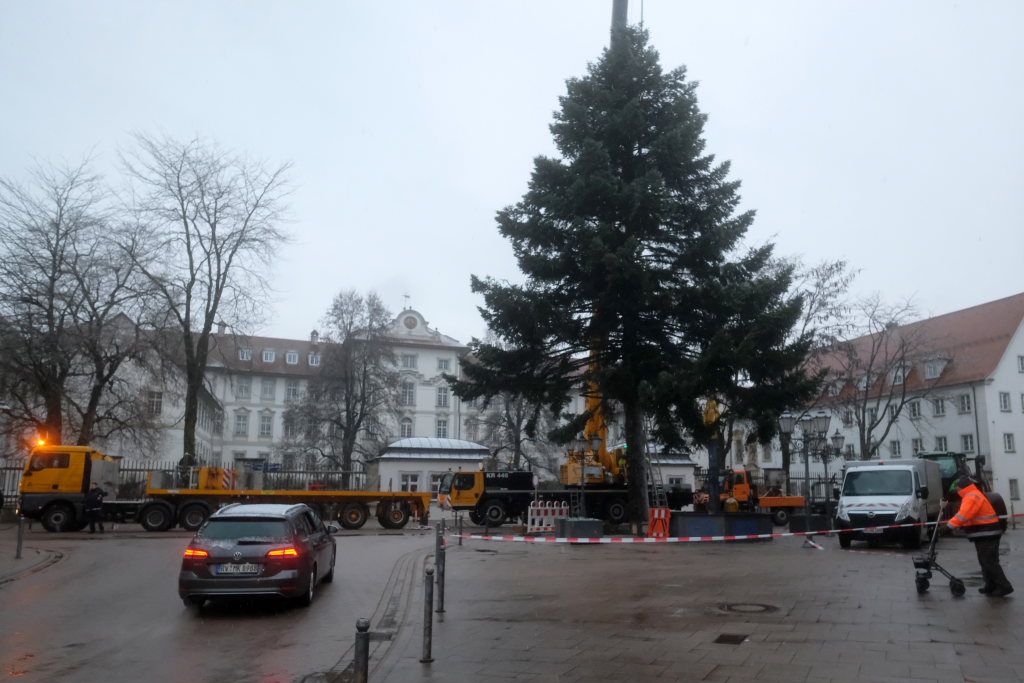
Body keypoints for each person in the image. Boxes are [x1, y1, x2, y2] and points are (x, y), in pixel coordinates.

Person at [947, 475, 1013, 597]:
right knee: (984, 561)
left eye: (957, 489)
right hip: (985, 534)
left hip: (987, 533)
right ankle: (990, 585)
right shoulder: (973, 494)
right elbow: (969, 516)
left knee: (989, 562)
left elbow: (964, 515)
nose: (956, 491)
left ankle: (1004, 586)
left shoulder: (971, 496)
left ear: (962, 488)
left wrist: (948, 526)